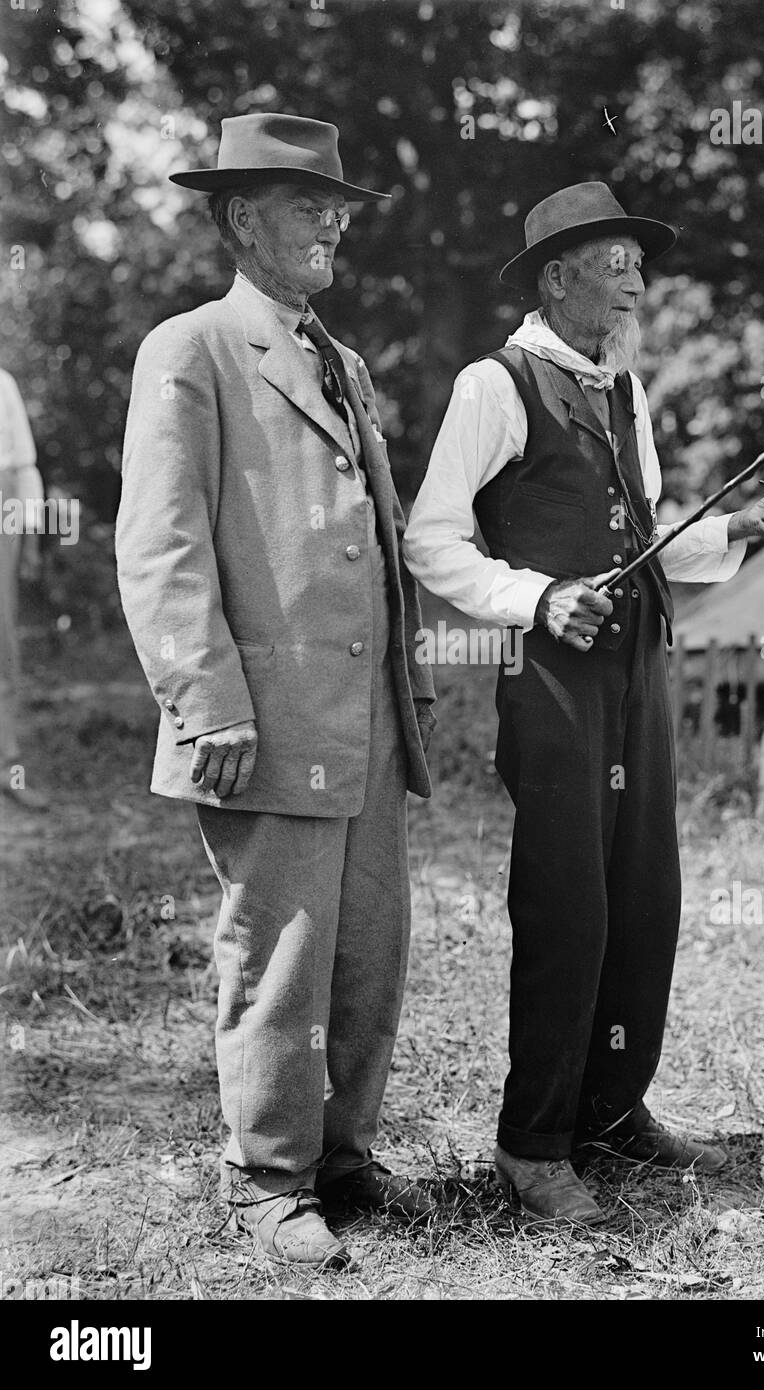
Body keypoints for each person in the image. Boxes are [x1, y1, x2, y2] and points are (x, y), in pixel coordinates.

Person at [404, 182, 764, 1226]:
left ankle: (609, 1108)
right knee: (568, 909)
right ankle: (532, 1144)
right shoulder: (491, 386)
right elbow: (430, 539)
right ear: (556, 277)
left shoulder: (622, 388)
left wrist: (738, 529)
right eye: (615, 261)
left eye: (638, 260)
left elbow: (641, 535)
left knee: (644, 901)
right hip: (550, 682)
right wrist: (536, 599)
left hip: (639, 670)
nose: (635, 278)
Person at [116, 114, 436, 1267]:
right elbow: (160, 548)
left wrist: (407, 703)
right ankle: (266, 1181)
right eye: (309, 203)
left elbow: (375, 549)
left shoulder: (339, 363)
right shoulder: (190, 348)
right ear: (241, 217)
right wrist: (209, 703)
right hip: (259, 723)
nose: (333, 220)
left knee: (365, 949)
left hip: (366, 728)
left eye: (338, 203)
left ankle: (342, 1159)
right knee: (281, 954)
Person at [0, 369, 47, 813]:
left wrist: (30, 541)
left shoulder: (4, 384)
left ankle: (7, 765)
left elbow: (21, 466)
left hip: (3, 512)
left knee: (3, 643)